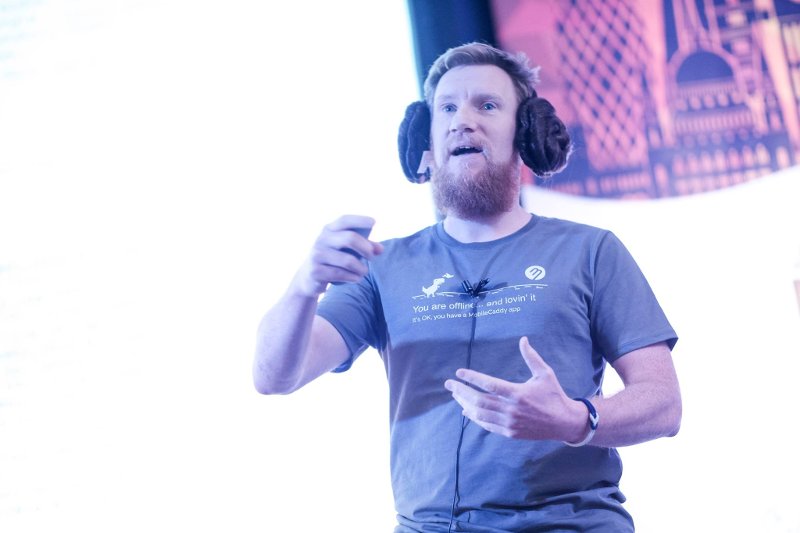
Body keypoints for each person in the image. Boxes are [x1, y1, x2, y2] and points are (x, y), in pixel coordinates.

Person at [253, 42, 681, 532]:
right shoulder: (381, 266)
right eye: (448, 108)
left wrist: (573, 418)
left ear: (527, 134)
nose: (463, 121)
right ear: (426, 140)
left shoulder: (591, 250)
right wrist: (305, 286)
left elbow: (664, 403)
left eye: (487, 105)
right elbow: (274, 375)